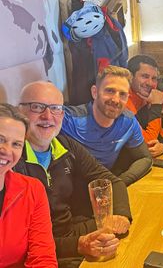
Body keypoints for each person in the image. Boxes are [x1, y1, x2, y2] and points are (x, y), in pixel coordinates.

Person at [17, 81, 132, 266]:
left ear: (62, 114)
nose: (48, 116)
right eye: (37, 107)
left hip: (73, 233)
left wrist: (121, 216)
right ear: (19, 112)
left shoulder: (65, 145)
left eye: (55, 108)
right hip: (41, 253)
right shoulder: (11, 159)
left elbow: (112, 181)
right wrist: (77, 245)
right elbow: (16, 245)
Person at [62, 66, 152, 186]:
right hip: (72, 192)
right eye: (110, 91)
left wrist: (119, 183)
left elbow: (145, 158)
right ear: (94, 92)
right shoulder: (69, 119)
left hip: (105, 188)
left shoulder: (128, 122)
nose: (116, 99)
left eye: (122, 94)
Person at [0, 103, 57, 267]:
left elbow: (43, 257)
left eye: (16, 144)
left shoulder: (32, 189)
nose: (6, 150)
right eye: (0, 139)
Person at [126, 55, 163, 157]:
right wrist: (156, 106)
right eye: (144, 76)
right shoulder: (124, 102)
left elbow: (161, 136)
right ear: (130, 77)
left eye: (154, 78)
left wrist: (162, 147)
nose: (150, 83)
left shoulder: (145, 98)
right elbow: (148, 143)